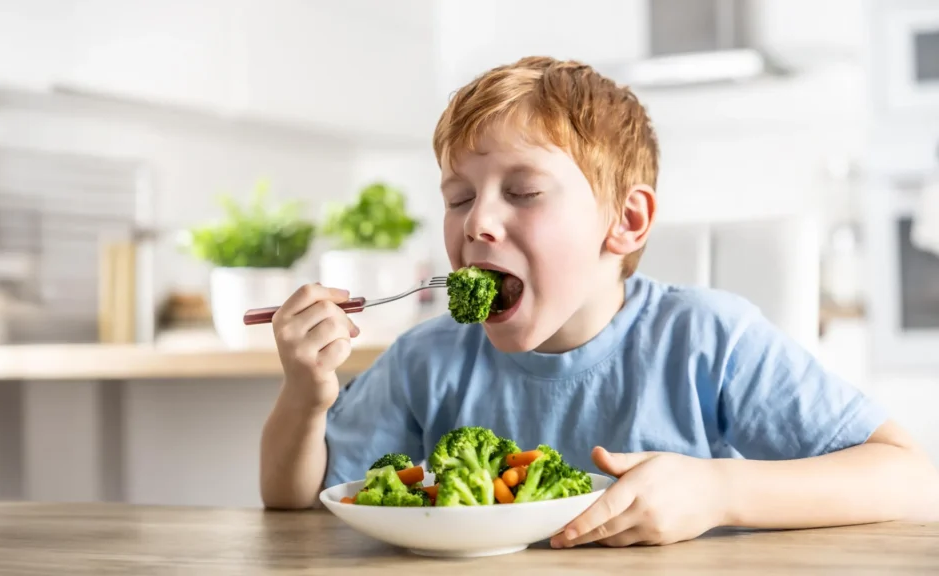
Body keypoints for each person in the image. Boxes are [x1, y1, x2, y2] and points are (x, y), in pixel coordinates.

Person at [260, 56, 939, 547]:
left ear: (627, 223)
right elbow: (295, 503)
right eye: (459, 197)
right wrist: (306, 394)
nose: (476, 224)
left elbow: (915, 481)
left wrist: (718, 491)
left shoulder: (707, 340)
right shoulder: (426, 358)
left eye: (522, 191)